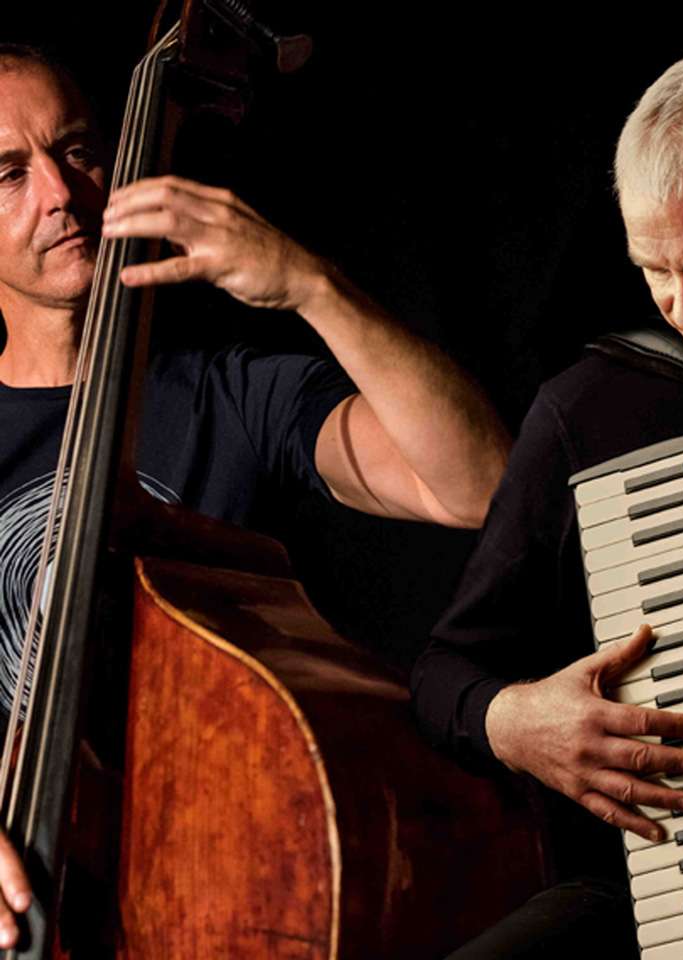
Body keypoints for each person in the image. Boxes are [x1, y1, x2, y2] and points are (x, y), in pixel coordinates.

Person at [0, 45, 513, 946]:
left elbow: (478, 486)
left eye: (77, 150)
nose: (60, 192)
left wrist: (312, 286)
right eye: (8, 173)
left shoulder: (230, 395)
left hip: (226, 881)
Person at [412, 45, 683, 958]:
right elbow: (445, 672)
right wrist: (516, 722)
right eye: (654, 270)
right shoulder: (596, 411)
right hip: (676, 891)